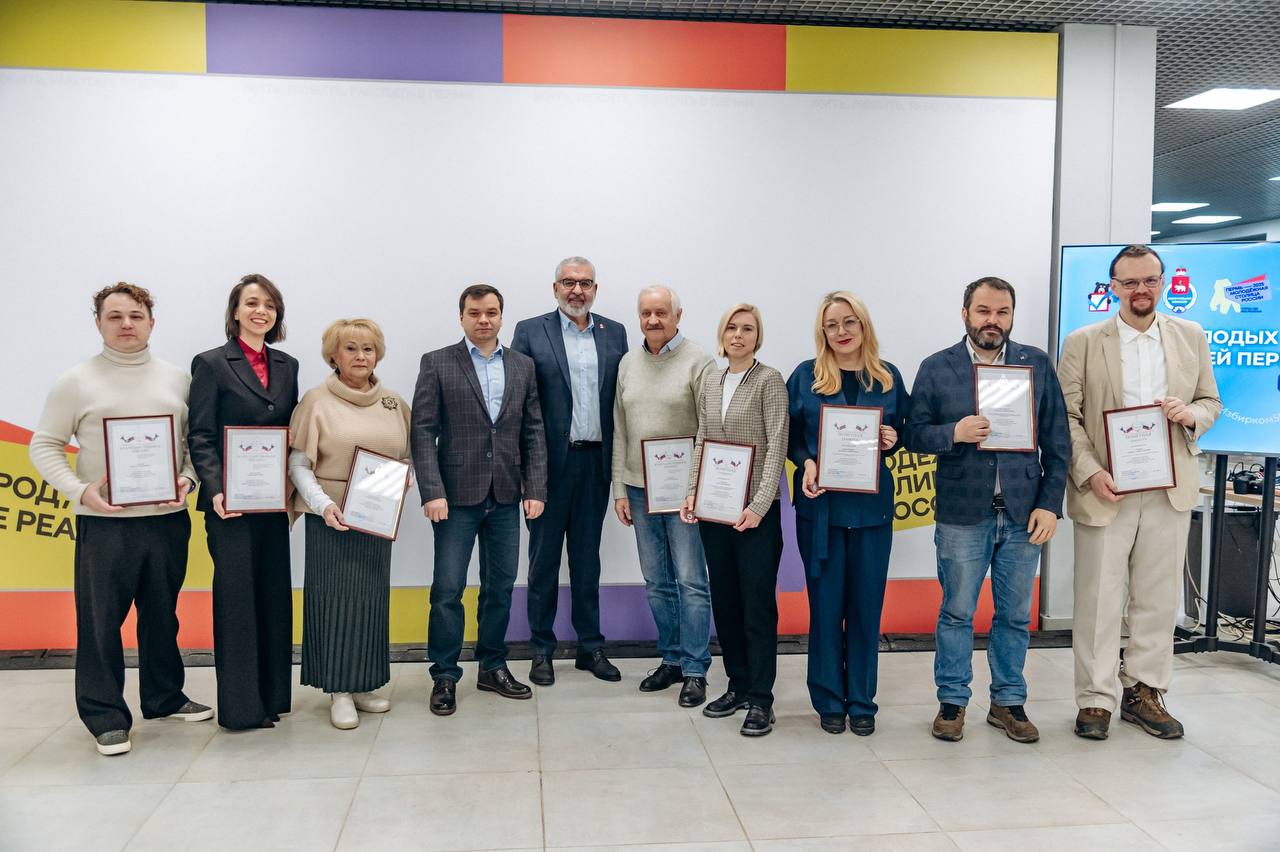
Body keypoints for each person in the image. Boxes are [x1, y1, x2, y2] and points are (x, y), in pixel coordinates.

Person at [29, 282, 212, 756]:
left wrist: (188, 480)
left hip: (167, 520)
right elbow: (44, 445)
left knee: (162, 615)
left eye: (135, 315)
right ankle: (105, 716)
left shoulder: (177, 380)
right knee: (100, 623)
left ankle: (165, 697)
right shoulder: (76, 382)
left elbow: (193, 444)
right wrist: (80, 491)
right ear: (99, 324)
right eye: (115, 316)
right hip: (105, 525)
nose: (126, 324)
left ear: (152, 322)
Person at [1058, 244, 1221, 741]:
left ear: (1163, 282)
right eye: (1129, 282)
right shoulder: (1083, 342)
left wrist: (1191, 415)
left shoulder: (1191, 336)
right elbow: (1065, 418)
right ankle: (1095, 699)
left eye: (1150, 280)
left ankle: (1144, 693)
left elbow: (1210, 401)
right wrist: (1089, 472)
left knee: (1157, 598)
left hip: (1169, 487)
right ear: (1113, 288)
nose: (1141, 290)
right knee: (1098, 599)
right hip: (1106, 488)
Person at [906, 276, 1070, 744]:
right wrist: (952, 433)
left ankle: (1008, 702)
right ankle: (952, 701)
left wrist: (1050, 505)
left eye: (1002, 312)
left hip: (1023, 512)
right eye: (983, 311)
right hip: (962, 512)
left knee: (1015, 615)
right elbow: (914, 434)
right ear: (965, 314)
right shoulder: (937, 367)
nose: (992, 320)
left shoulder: (1035, 364)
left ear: (1012, 316)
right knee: (957, 612)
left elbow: (1058, 442)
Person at [411, 284, 548, 716]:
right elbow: (422, 431)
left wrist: (536, 488)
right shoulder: (437, 362)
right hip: (454, 499)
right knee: (448, 590)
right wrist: (432, 491)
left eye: (491, 312)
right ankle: (445, 676)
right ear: (462, 317)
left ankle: (492, 666)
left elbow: (533, 430)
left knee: (500, 588)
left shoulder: (522, 365)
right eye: (474, 313)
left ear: (501, 316)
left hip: (506, 495)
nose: (483, 319)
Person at [786, 292, 907, 736]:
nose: (841, 331)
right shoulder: (805, 376)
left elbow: (906, 431)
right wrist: (806, 461)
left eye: (849, 322)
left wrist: (894, 438)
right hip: (821, 511)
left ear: (863, 324)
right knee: (825, 608)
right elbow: (789, 437)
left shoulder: (888, 377)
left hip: (872, 513)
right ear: (822, 331)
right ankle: (828, 699)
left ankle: (861, 700)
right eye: (831, 324)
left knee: (865, 608)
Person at [188, 274, 299, 731]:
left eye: (269, 305)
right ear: (235, 311)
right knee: (237, 604)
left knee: (273, 598)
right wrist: (215, 489)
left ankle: (272, 698)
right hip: (229, 506)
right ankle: (241, 709)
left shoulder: (288, 365)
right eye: (252, 303)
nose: (261, 311)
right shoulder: (211, 364)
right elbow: (200, 434)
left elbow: (289, 432)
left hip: (271, 503)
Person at [510, 257, 628, 686]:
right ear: (555, 287)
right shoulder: (530, 331)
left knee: (586, 559)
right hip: (546, 467)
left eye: (585, 283)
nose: (577, 290)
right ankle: (541, 650)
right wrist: (525, 471)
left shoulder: (614, 332)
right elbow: (518, 403)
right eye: (568, 282)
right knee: (543, 562)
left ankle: (590, 646)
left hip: (595, 463)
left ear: (595, 289)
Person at [288, 318, 410, 730]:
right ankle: (338, 689)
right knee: (335, 601)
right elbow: (298, 464)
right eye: (351, 348)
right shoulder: (316, 401)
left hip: (376, 518)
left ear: (378, 354)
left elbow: (407, 454)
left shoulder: (392, 402)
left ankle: (363, 684)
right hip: (331, 519)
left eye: (368, 349)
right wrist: (323, 505)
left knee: (370, 602)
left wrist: (405, 478)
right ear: (334, 355)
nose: (361, 356)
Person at [681, 304, 788, 736]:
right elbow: (702, 440)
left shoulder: (769, 380)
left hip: (755, 514)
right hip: (716, 510)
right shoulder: (711, 380)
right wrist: (692, 490)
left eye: (747, 329)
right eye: (731, 328)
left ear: (757, 337)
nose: (738, 335)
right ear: (722, 335)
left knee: (756, 606)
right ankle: (738, 685)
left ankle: (761, 699)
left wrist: (759, 505)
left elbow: (777, 444)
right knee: (725, 602)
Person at [613, 285, 715, 707]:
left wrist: (695, 488)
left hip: (683, 492)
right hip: (639, 490)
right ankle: (671, 659)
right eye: (645, 313)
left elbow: (709, 427)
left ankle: (695, 668)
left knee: (691, 580)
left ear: (678, 315)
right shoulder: (627, 363)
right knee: (657, 581)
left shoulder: (699, 361)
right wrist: (619, 488)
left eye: (661, 312)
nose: (653, 320)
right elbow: (620, 428)